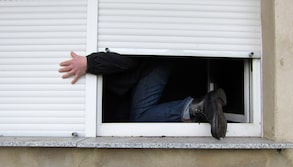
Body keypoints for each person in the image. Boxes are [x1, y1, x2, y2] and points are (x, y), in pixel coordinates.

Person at [59, 49, 227, 139]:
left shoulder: (113, 36)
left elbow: (125, 60)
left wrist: (89, 63)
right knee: (137, 116)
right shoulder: (105, 97)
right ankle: (199, 108)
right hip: (147, 70)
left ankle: (200, 106)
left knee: (139, 117)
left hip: (150, 66)